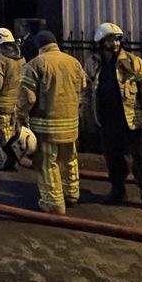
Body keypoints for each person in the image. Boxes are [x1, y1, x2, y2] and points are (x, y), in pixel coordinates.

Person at [82, 23, 142, 214]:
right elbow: (84, 87)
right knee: (113, 157)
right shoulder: (93, 63)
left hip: (131, 118)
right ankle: (118, 190)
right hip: (107, 118)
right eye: (110, 39)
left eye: (117, 39)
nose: (115, 43)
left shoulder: (132, 61)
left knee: (140, 157)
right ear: (101, 42)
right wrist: (80, 109)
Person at [17, 29, 86, 215]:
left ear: (38, 46)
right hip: (71, 125)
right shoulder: (74, 63)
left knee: (47, 163)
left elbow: (28, 98)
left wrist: (20, 116)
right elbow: (83, 90)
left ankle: (54, 203)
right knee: (70, 159)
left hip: (46, 126)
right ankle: (71, 193)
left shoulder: (36, 64)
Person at [0, 27, 25, 166]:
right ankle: (14, 159)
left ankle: (9, 161)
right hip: (16, 102)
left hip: (1, 104)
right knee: (12, 131)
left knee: (3, 135)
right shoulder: (21, 59)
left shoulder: (0, 60)